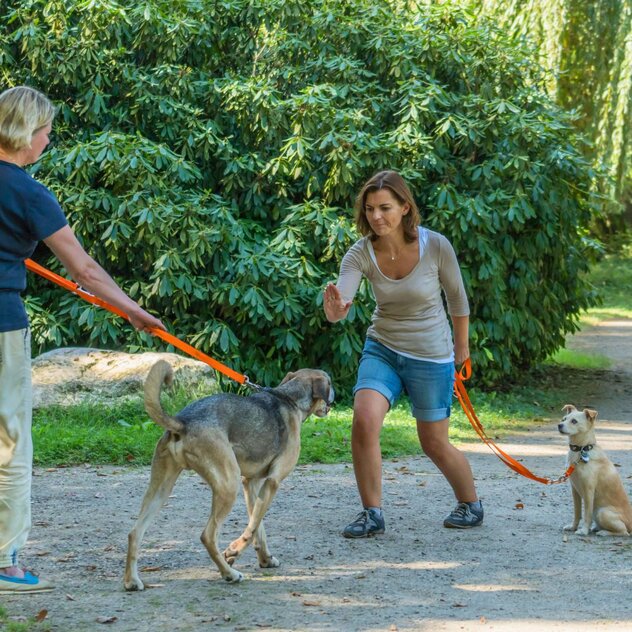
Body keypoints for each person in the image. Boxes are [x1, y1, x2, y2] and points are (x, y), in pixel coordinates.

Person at [0, 86, 165, 593]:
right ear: (28, 133)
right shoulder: (27, 192)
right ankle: (5, 563)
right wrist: (134, 312)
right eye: (46, 131)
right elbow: (86, 270)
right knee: (10, 442)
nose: (48, 140)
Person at [323, 170, 483, 538]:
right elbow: (342, 300)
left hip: (431, 354)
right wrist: (335, 309)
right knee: (364, 418)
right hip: (383, 347)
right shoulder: (360, 253)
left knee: (433, 442)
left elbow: (457, 300)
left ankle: (470, 503)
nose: (377, 216)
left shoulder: (436, 246)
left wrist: (461, 348)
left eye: (385, 208)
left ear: (405, 207)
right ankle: (372, 513)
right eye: (370, 209)